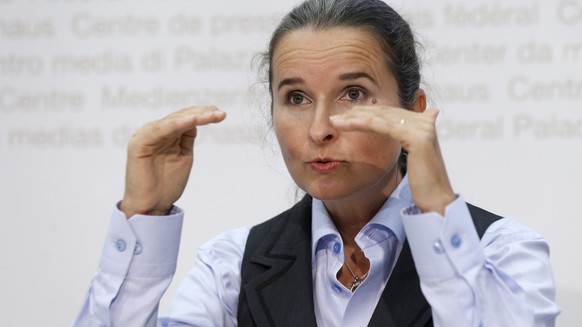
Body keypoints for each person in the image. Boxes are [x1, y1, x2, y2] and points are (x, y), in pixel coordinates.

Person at [73, 0, 560, 326]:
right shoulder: (232, 266)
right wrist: (144, 217)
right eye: (297, 97)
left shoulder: (501, 251)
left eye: (353, 94)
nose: (319, 128)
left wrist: (437, 210)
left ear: (412, 111)